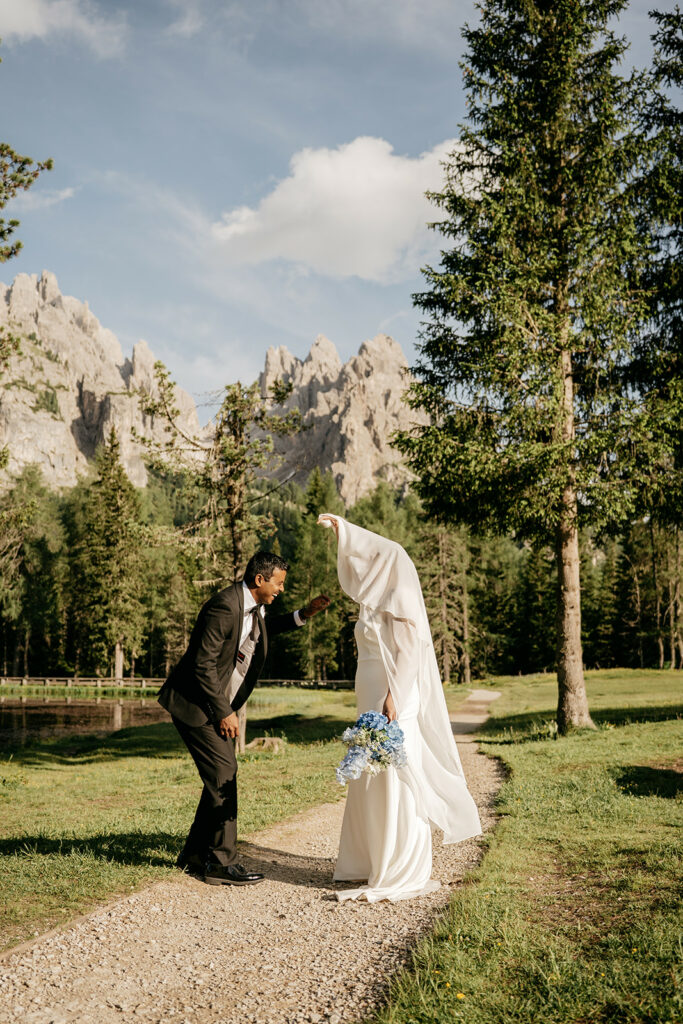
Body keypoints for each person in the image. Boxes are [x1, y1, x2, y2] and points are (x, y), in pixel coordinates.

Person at [318, 513, 481, 902]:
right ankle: (370, 859)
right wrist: (342, 528)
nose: (364, 569)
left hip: (394, 694)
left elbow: (409, 652)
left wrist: (395, 694)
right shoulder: (372, 604)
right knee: (370, 776)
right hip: (369, 691)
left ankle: (400, 865)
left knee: (395, 774)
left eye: (370, 561)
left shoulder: (400, 592)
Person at [158, 551, 329, 885]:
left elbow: (267, 630)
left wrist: (304, 614)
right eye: (278, 583)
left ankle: (194, 855)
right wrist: (224, 710)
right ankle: (221, 862)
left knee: (219, 774)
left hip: (213, 703)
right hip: (194, 705)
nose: (281, 589)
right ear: (260, 579)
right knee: (224, 771)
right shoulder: (224, 606)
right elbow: (202, 664)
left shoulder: (254, 607)